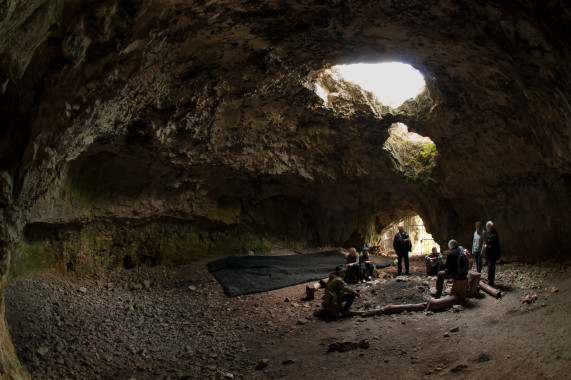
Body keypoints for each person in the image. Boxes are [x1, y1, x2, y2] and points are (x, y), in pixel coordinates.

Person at [483, 221, 500, 287]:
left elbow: (493, 246)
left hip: (492, 255)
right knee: (490, 268)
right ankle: (490, 281)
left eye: (487, 227)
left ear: (490, 227)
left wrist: (487, 247)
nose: (487, 229)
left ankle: (491, 283)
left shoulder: (493, 235)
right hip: (490, 255)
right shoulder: (491, 234)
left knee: (491, 268)